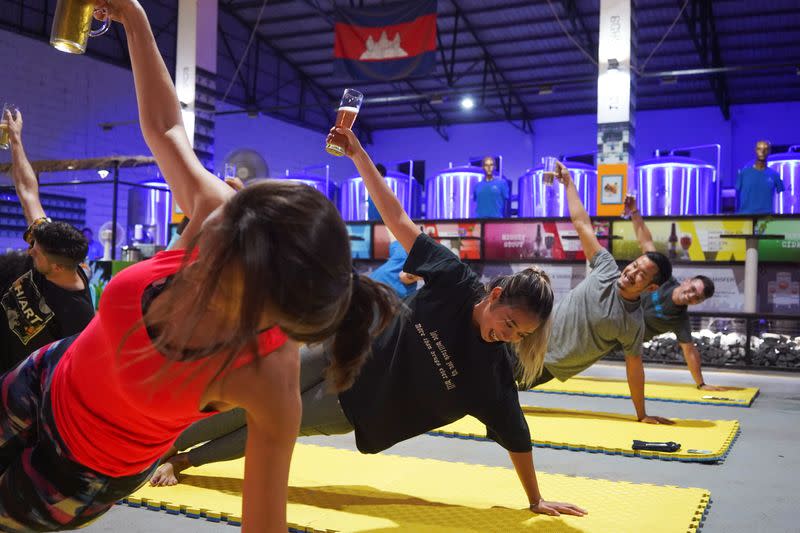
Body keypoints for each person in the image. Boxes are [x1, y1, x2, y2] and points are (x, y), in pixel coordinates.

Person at [0, 2, 396, 532]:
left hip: (82, 470)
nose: (210, 216)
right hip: (50, 373)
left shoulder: (268, 377)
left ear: (257, 305)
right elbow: (166, 130)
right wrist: (136, 19)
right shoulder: (224, 216)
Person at [149, 128, 587, 519]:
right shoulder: (455, 279)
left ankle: (186, 461)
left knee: (270, 421)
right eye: (509, 323)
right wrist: (359, 156)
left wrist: (535, 499)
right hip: (342, 344)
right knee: (248, 392)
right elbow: (396, 217)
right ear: (494, 297)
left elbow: (518, 436)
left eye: (520, 335)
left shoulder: (491, 374)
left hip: (355, 403)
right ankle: (161, 444)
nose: (507, 336)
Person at [533, 162, 675, 424]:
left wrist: (641, 414)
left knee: (483, 389)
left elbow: (634, 368)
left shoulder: (632, 324)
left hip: (545, 367)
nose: (632, 272)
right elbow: (581, 223)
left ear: (651, 288)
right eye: (634, 265)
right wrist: (569, 184)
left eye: (641, 275)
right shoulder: (607, 267)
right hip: (528, 333)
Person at [0, 109, 94, 374]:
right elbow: (28, 190)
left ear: (57, 268)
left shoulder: (79, 315)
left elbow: (78, 370)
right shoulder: (48, 241)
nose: (30, 252)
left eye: (37, 253)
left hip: (16, 386)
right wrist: (16, 139)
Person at [624, 198, 739, 392]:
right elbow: (646, 243)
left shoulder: (679, 320)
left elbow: (690, 351)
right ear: (687, 281)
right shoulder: (664, 277)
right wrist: (634, 212)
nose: (691, 296)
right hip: (610, 315)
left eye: (697, 298)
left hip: (618, 341)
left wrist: (701, 384)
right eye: (693, 289)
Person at [735, 140, 784, 214]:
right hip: (745, 217)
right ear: (755, 150)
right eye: (759, 149)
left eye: (766, 149)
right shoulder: (743, 173)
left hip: (766, 218)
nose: (762, 152)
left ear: (769, 151)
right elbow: (736, 197)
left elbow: (784, 198)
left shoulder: (775, 175)